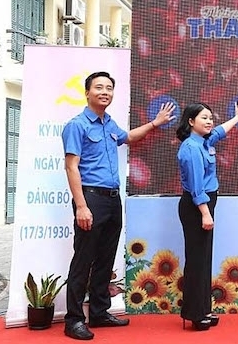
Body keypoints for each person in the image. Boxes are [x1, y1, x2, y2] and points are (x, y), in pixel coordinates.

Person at [61, 71, 176, 340]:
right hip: (90, 199)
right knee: (83, 260)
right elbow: (71, 166)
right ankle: (74, 320)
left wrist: (155, 123)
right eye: (99, 87)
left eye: (109, 88)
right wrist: (81, 206)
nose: (105, 92)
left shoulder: (108, 123)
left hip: (112, 200)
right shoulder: (77, 125)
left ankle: (99, 313)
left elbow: (129, 138)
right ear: (87, 92)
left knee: (105, 259)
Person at [176, 98, 238, 331]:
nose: (209, 121)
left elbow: (218, 131)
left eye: (210, 117)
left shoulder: (205, 141)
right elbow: (197, 187)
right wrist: (206, 214)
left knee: (204, 259)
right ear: (190, 121)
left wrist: (237, 118)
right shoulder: (191, 148)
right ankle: (194, 314)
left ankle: (203, 308)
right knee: (197, 261)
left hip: (205, 206)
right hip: (197, 208)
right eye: (203, 118)